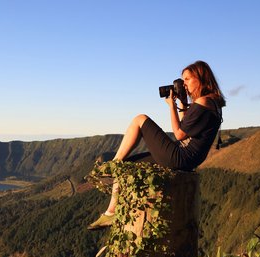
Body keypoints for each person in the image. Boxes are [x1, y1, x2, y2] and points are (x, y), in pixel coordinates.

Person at [88, 60, 225, 230]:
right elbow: (186, 129)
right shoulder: (213, 104)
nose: (184, 84)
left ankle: (111, 166)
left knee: (140, 119)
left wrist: (171, 107)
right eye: (183, 81)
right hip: (187, 158)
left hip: (181, 156)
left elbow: (179, 133)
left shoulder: (203, 102)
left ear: (201, 78)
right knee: (128, 165)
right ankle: (110, 213)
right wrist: (182, 103)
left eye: (188, 79)